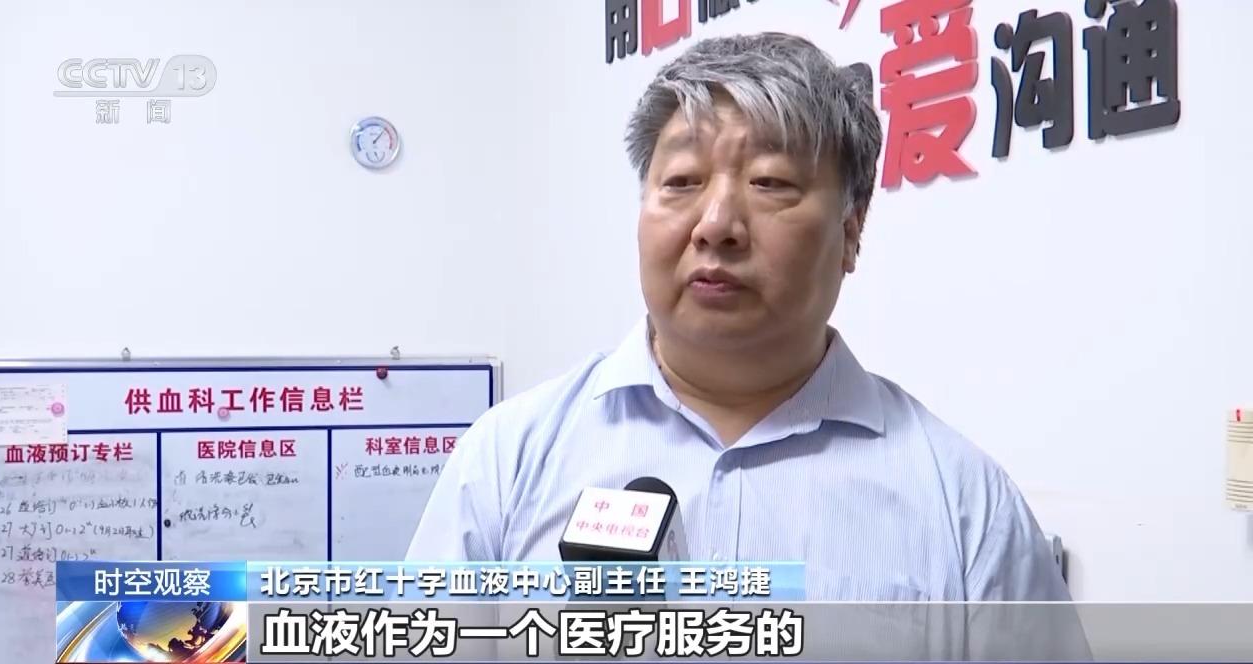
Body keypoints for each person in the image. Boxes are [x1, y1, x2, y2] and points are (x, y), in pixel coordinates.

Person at [406, 32, 1070, 603]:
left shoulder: (963, 503)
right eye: (681, 182)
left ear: (851, 230)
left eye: (770, 183)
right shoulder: (507, 461)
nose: (716, 224)